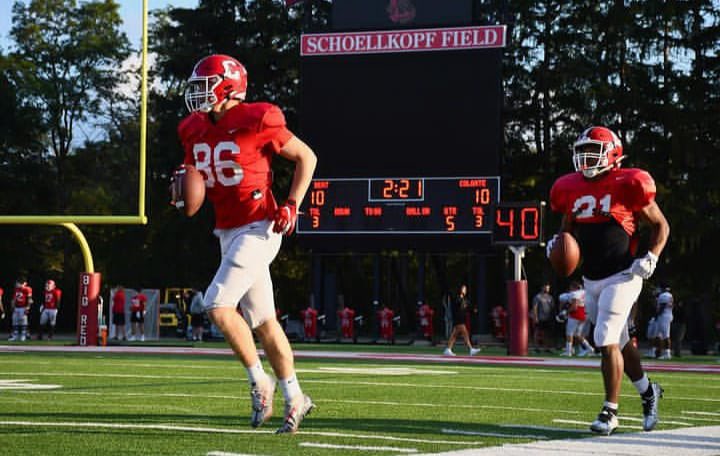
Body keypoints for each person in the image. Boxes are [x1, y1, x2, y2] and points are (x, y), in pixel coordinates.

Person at [172, 54, 317, 434]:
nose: (198, 93)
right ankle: (296, 395)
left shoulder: (258, 118)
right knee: (265, 322)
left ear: (228, 85)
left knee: (217, 305)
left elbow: (306, 156)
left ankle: (259, 381)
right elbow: (192, 174)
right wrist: (182, 189)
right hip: (227, 230)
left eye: (205, 84)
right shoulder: (192, 128)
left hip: (259, 226)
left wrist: (292, 204)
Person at [547, 126, 669, 435]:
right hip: (592, 277)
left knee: (604, 336)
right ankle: (647, 392)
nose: (586, 159)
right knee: (619, 341)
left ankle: (609, 412)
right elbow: (568, 229)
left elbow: (661, 226)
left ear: (613, 153)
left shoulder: (628, 182)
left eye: (593, 151)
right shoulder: (569, 187)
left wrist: (651, 256)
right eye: (582, 152)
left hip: (624, 273)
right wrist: (557, 243)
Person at [558, 281, 594, 357]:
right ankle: (589, 348)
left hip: (576, 315)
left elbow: (574, 307)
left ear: (574, 287)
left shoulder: (575, 294)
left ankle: (568, 352)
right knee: (578, 335)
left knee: (569, 333)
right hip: (583, 314)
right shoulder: (584, 292)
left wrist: (565, 312)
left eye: (571, 288)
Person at [443, 285, 481, 356]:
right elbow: (459, 304)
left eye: (465, 289)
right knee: (465, 332)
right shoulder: (456, 298)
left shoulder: (465, 299)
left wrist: (474, 310)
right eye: (464, 289)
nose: (465, 291)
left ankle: (448, 349)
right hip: (457, 318)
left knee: (455, 334)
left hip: (461, 318)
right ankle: (471, 349)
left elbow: (469, 307)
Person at [531, 283, 555, 353]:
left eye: (548, 288)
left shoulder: (550, 297)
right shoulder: (538, 297)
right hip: (540, 317)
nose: (547, 289)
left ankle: (546, 348)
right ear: (542, 288)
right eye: (546, 288)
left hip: (548, 318)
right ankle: (536, 348)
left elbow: (552, 307)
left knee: (547, 333)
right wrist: (535, 317)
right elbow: (535, 308)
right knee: (537, 332)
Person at [653, 287, 674, 360]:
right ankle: (659, 353)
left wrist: (657, 313)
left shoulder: (664, 295)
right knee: (659, 335)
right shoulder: (668, 295)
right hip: (665, 316)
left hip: (664, 316)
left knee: (666, 335)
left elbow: (663, 305)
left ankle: (667, 353)